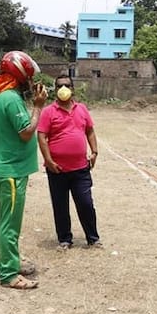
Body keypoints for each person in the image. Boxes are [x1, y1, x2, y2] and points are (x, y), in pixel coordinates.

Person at [0, 51, 47, 290]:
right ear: (21, 75)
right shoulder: (12, 99)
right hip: (11, 171)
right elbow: (26, 132)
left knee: (6, 219)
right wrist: (38, 107)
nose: (30, 81)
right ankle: (8, 273)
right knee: (10, 222)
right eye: (28, 76)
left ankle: (11, 261)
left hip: (6, 167)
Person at [37, 74, 102, 250]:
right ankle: (65, 239)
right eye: (59, 86)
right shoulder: (48, 112)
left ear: (72, 88)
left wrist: (94, 151)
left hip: (81, 168)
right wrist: (48, 160)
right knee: (60, 206)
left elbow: (90, 131)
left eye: (66, 85)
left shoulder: (82, 109)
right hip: (57, 169)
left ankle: (93, 238)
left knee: (86, 203)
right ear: (55, 90)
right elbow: (41, 137)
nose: (63, 89)